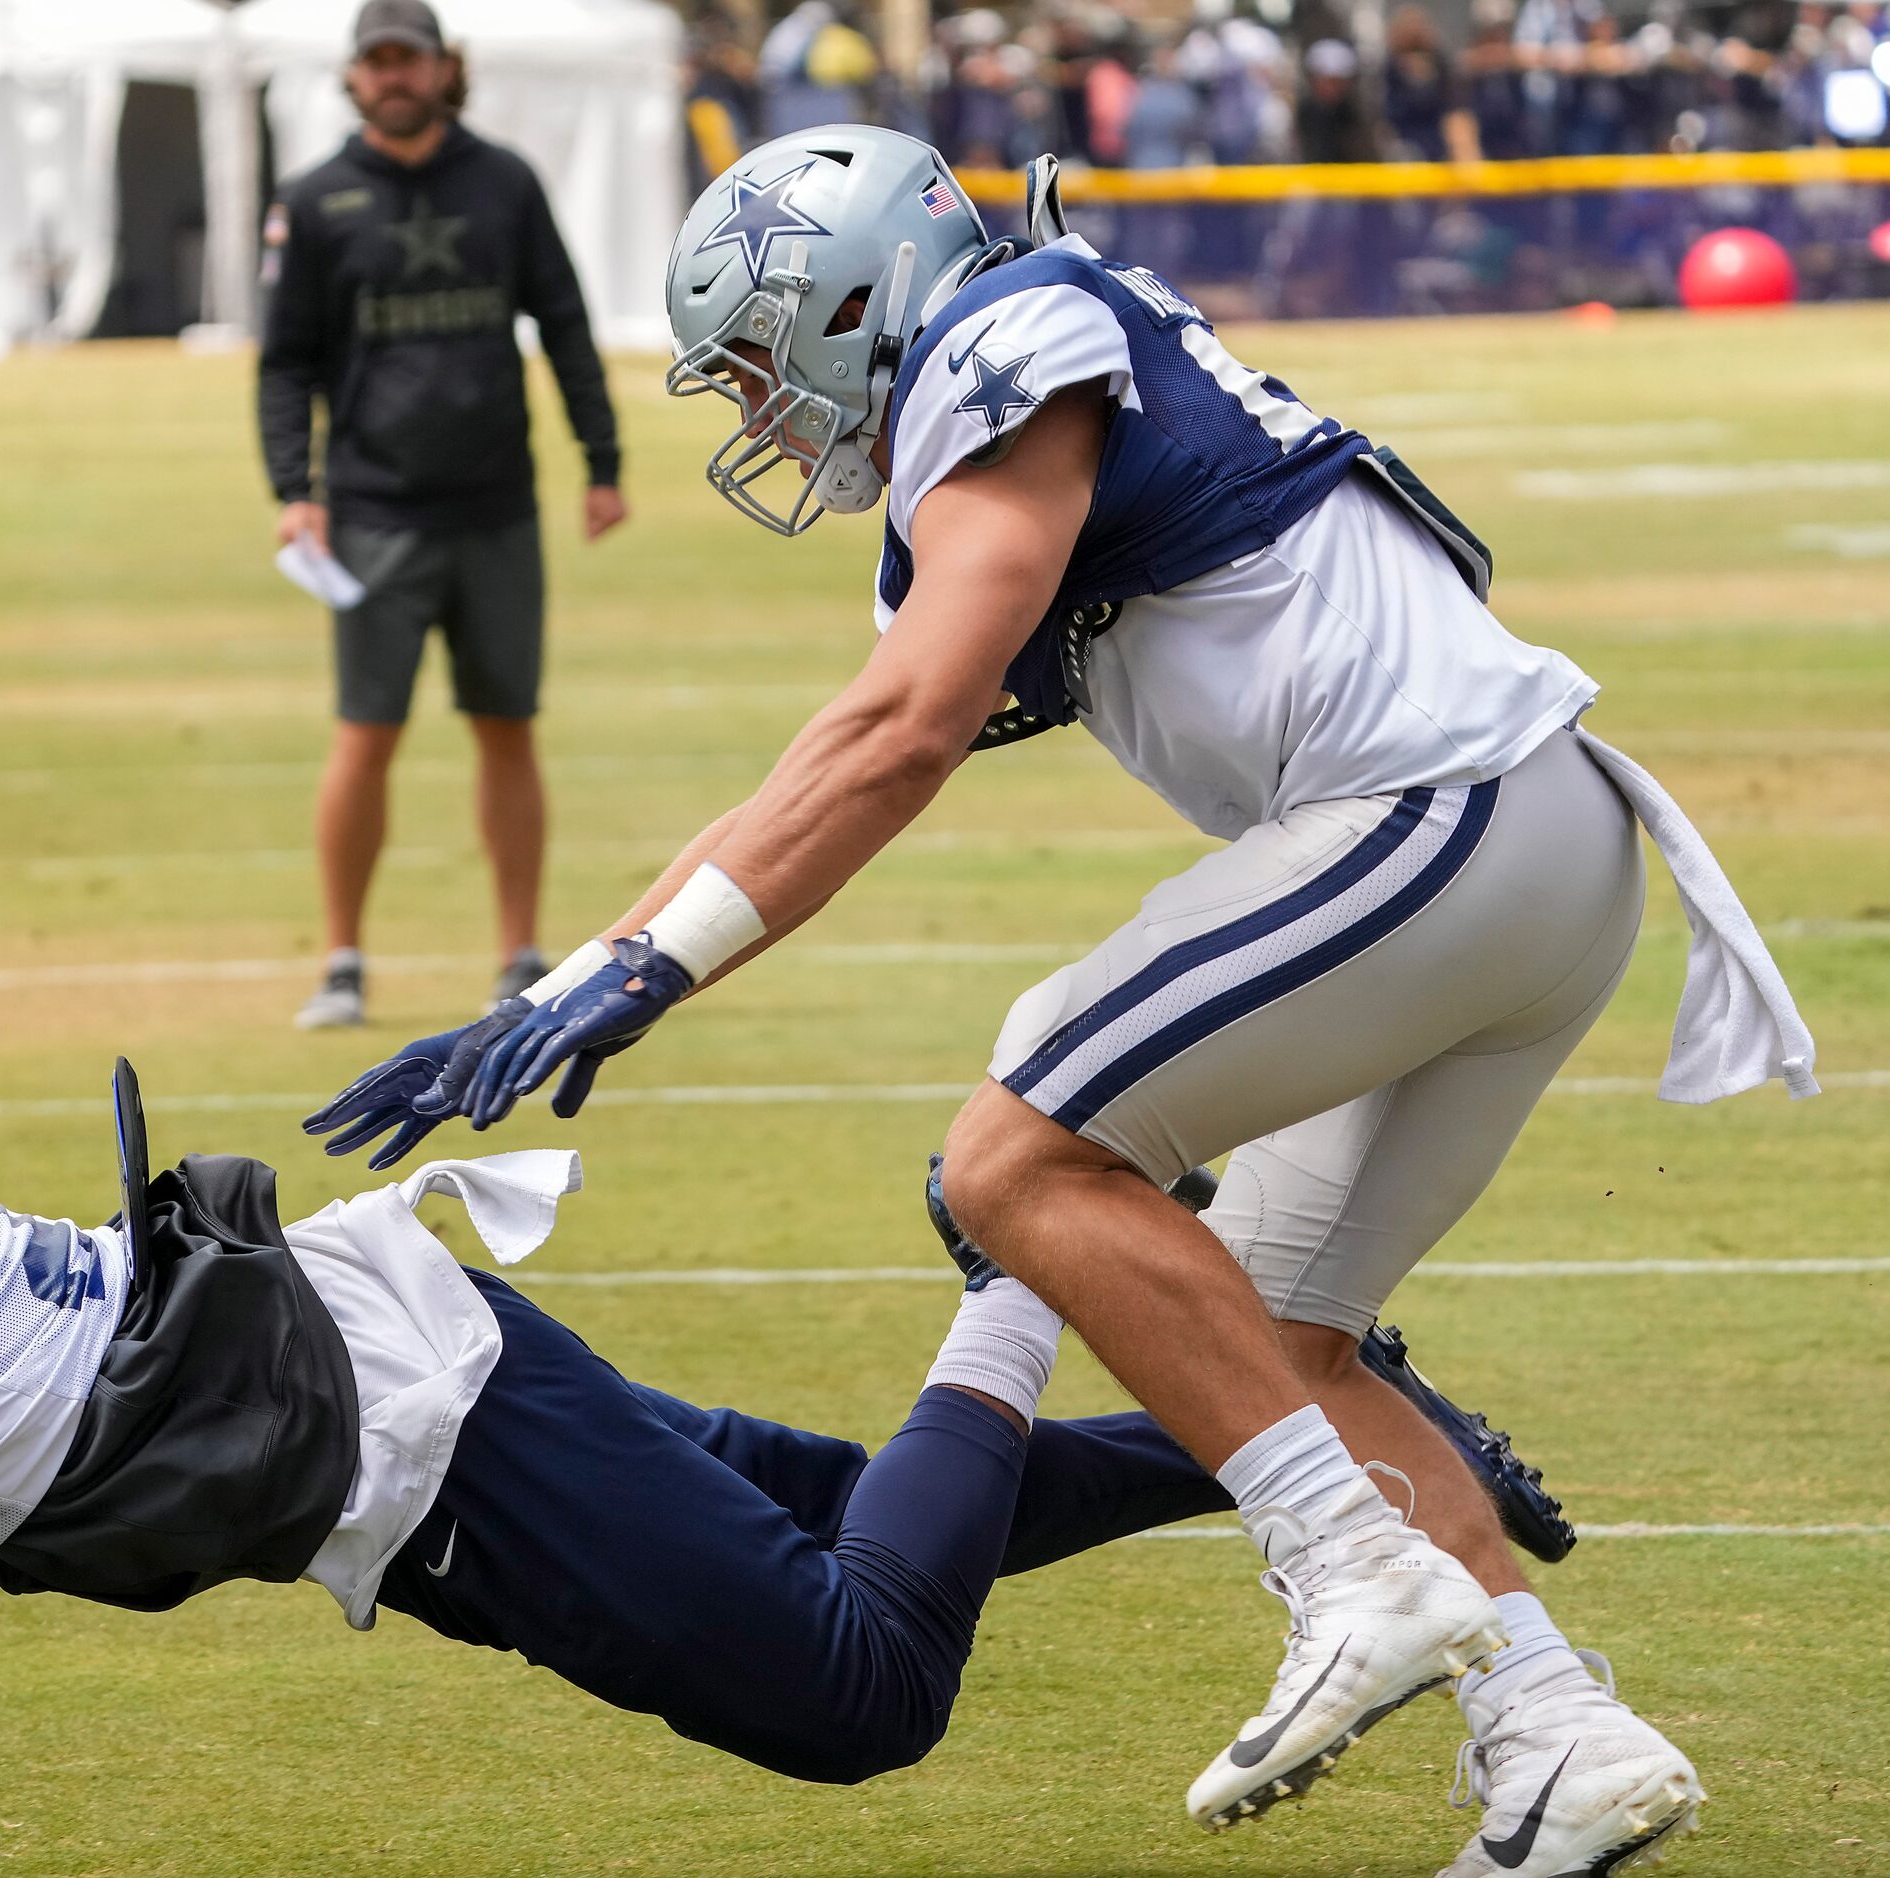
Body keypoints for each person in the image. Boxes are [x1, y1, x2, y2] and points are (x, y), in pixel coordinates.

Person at [311, 126, 1820, 1876]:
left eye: (752, 361)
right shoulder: (1024, 367)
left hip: (1435, 813)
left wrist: (655, 974)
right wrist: (574, 973)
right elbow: (829, 749)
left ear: (851, 295)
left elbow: (899, 735)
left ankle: (1351, 1570)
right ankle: (1557, 1734)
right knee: (1265, 1334)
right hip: (1531, 843)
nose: (756, 413)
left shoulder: (1001, 342)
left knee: (1011, 1160)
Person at [0, 955, 1563, 1796]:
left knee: (851, 1684)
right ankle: (1328, 1430)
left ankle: (1026, 1270)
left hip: (414, 1432)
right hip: (376, 1395)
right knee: (823, 1508)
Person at [258, 0, 626, 1032]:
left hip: (497, 506)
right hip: (372, 514)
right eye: (374, 63)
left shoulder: (502, 182)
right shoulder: (315, 200)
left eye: (407, 61)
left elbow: (563, 323)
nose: (392, 78)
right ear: (350, 76)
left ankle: (519, 954)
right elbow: (284, 363)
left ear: (441, 68)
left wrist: (601, 461)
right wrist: (294, 490)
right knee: (362, 734)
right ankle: (341, 960)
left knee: (507, 728)